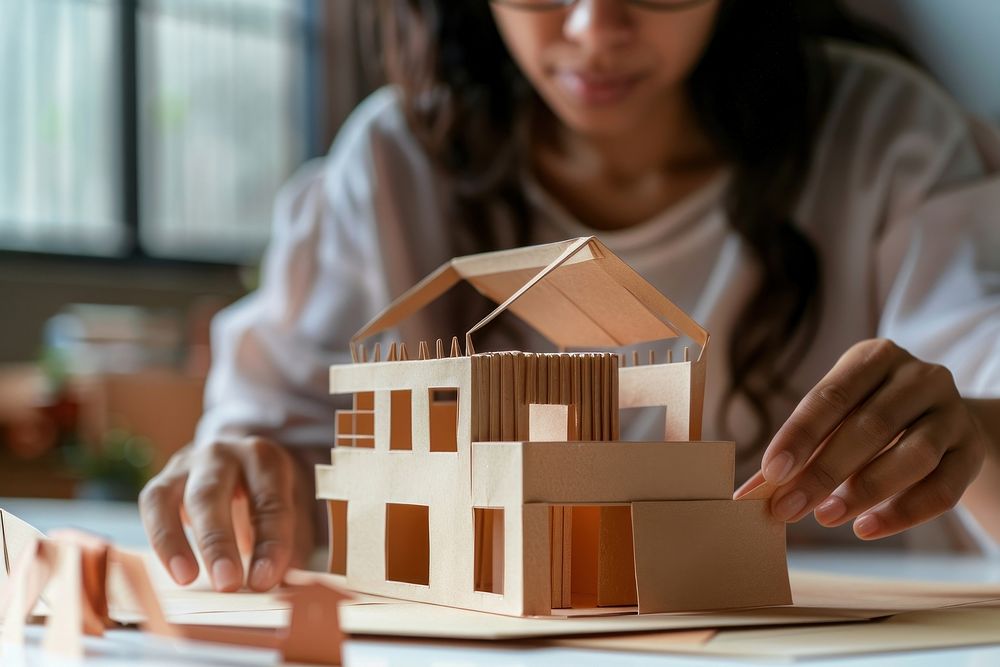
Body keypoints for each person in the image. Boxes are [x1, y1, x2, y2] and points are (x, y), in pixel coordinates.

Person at [139, 0, 1000, 593]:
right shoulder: (393, 162)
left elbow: (977, 374)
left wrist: (972, 428)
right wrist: (245, 467)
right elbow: (278, 433)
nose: (595, 30)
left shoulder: (891, 137)